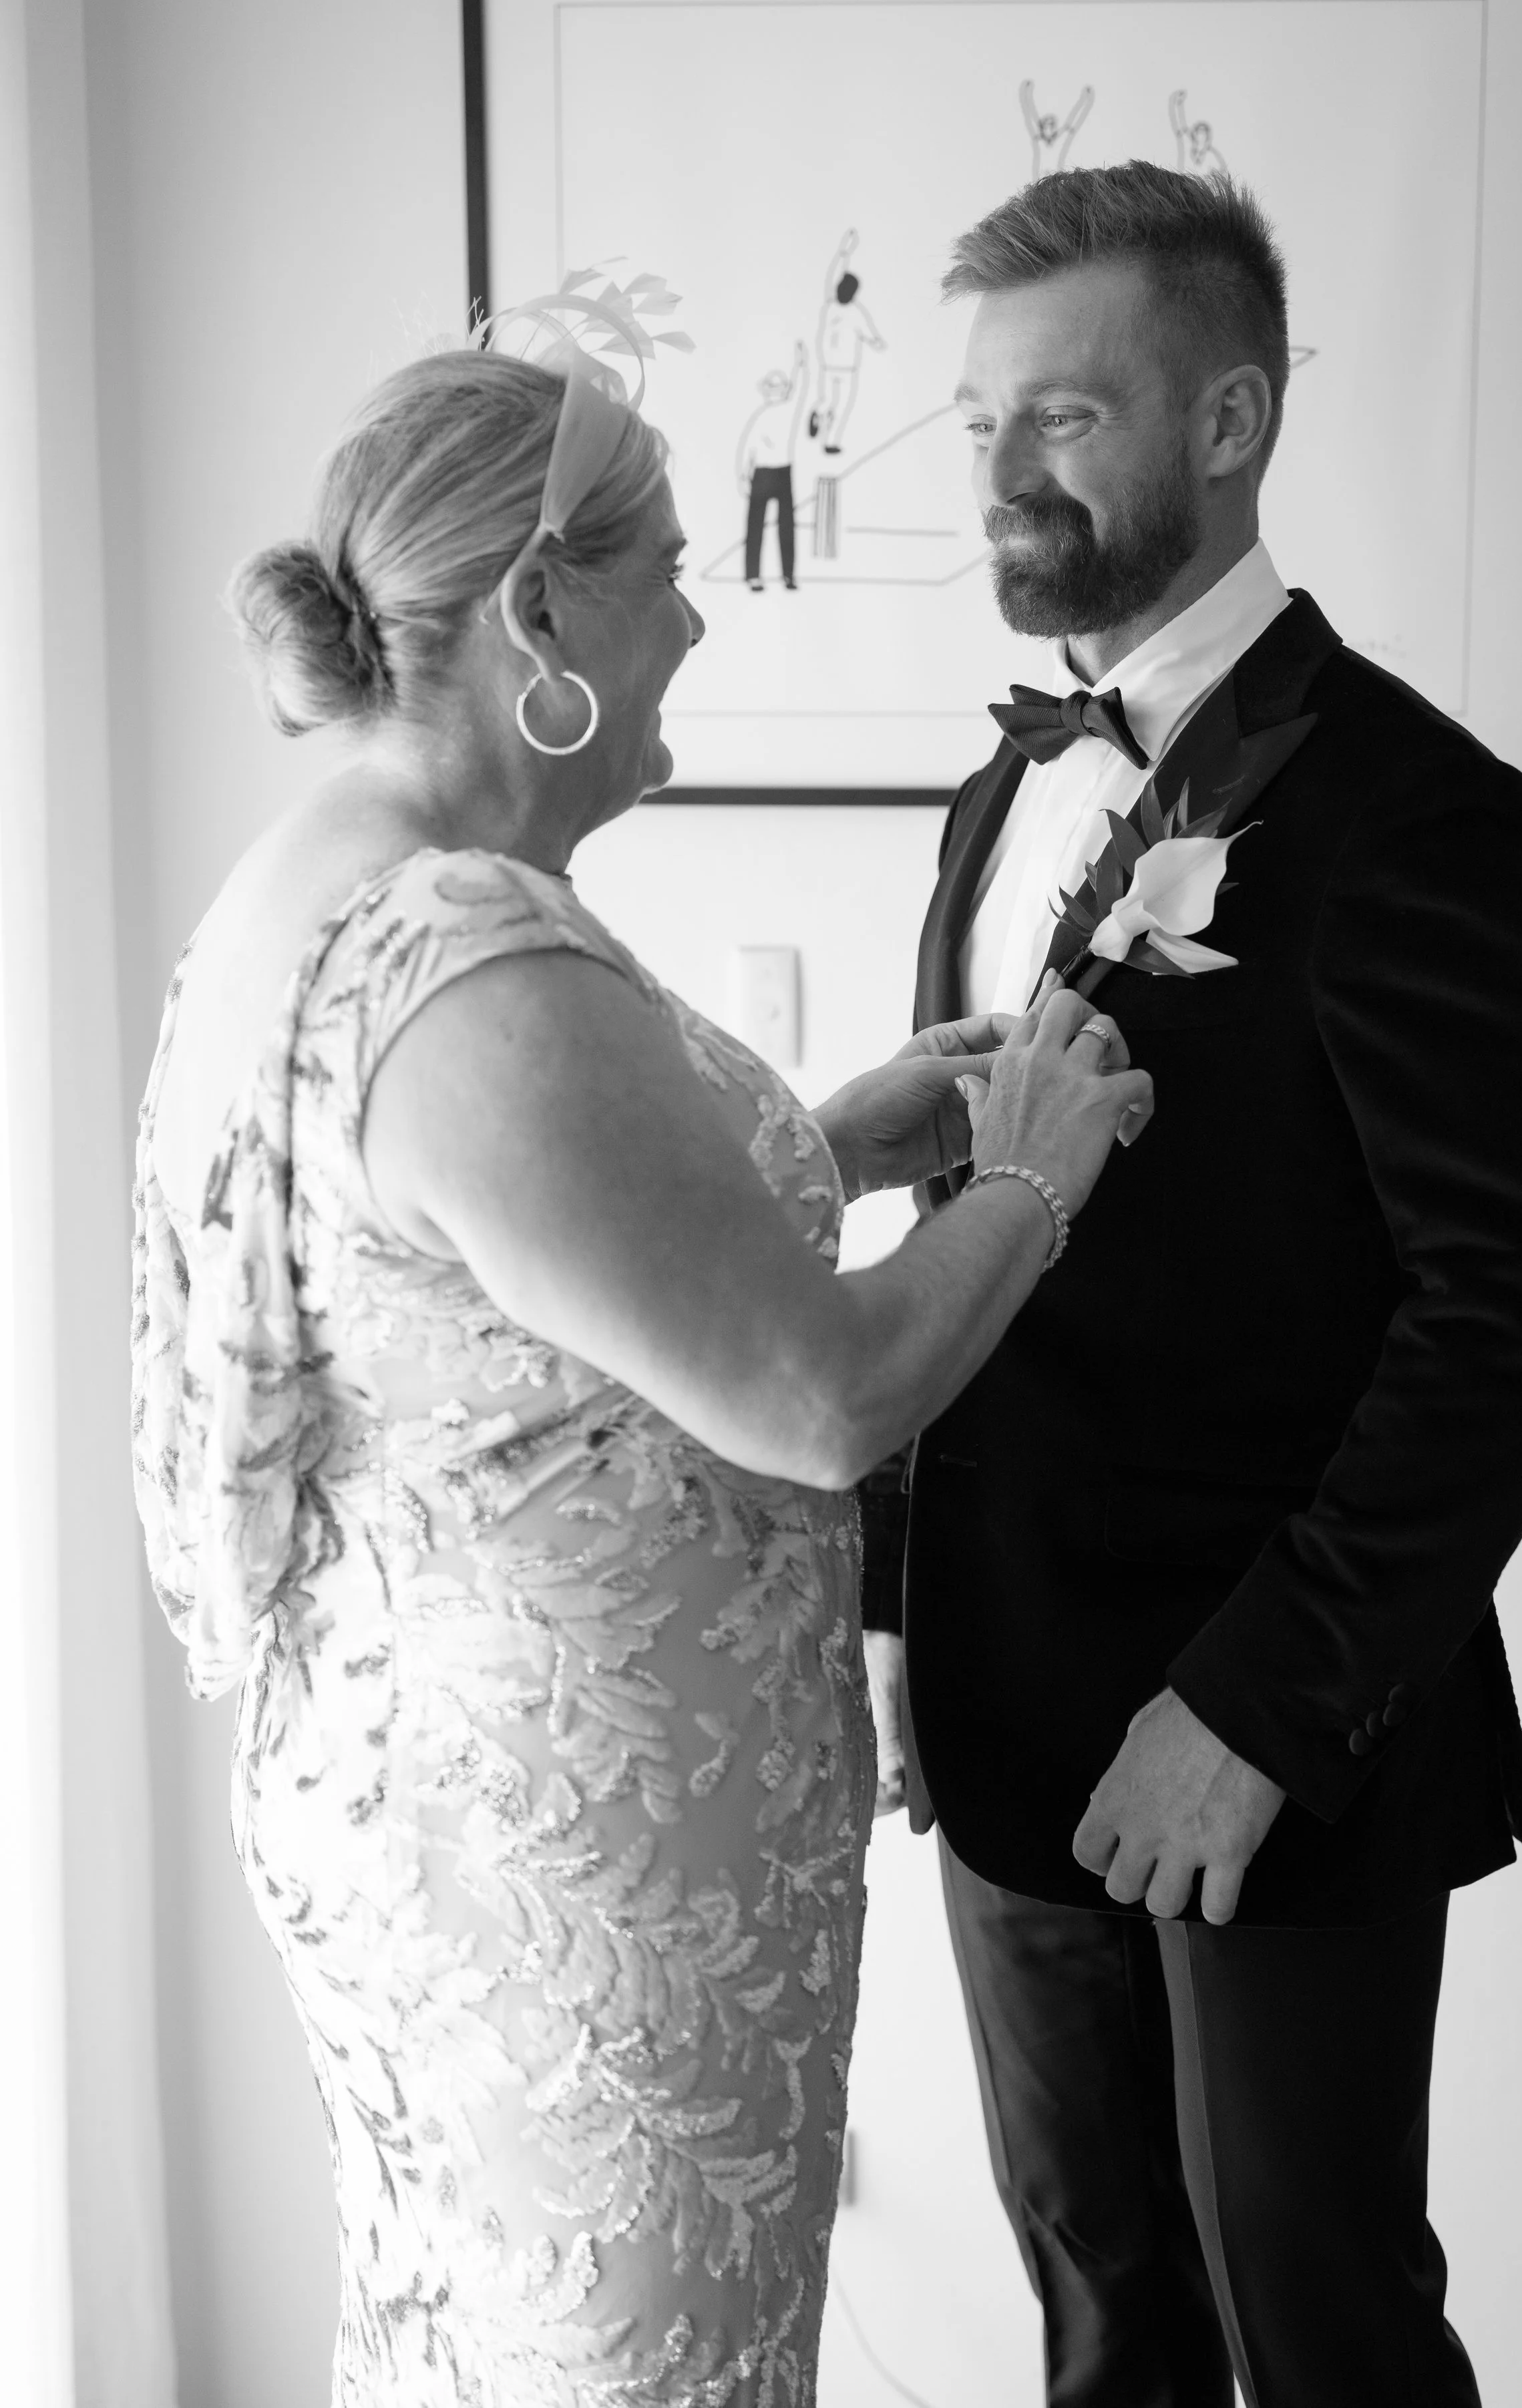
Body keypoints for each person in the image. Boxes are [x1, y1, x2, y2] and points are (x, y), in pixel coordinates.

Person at [130, 320, 1152, 2407]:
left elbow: (534, 1274)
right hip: (562, 1886)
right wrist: (1032, 1176)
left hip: (452, 1801)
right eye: (665, 567)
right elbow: (822, 1393)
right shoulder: (472, 968)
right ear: (538, 613)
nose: (695, 614)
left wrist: (837, 1133)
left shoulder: (354, 885)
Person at [860, 161, 1522, 2408]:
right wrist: (908, 1600)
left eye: (1067, 415)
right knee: (1102, 2314)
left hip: (1269, 1734)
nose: (1005, 470)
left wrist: (1258, 1707)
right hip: (1002, 1715)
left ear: (1224, 425)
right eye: (982, 416)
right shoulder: (992, 799)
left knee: (1316, 2331)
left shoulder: (1419, 813)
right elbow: (968, 1241)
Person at [810, 228, 887, 456]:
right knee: (841, 406)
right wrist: (878, 343)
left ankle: (818, 412)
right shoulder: (856, 312)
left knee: (827, 400)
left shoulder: (829, 305)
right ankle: (829, 441)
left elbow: (834, 271)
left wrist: (845, 250)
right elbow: (873, 337)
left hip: (828, 365)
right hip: (846, 368)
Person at [737, 339, 806, 590]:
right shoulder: (764, 416)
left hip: (778, 472)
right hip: (767, 473)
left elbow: (746, 451)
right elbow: (747, 451)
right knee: (762, 526)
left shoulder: (785, 411)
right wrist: (743, 477)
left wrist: (800, 364)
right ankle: (759, 575)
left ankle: (783, 575)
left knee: (781, 527)